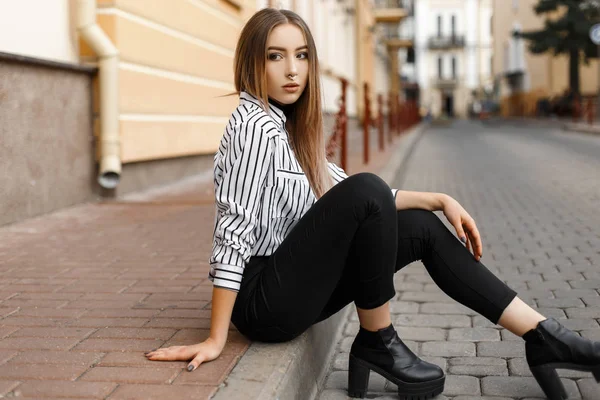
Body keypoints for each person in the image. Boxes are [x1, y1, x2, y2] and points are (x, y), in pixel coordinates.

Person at [145, 8, 600, 400]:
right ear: (252, 63)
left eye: (301, 56)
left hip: (289, 285)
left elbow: (347, 189)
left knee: (419, 223)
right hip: (263, 302)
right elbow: (235, 228)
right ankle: (379, 337)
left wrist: (441, 199)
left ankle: (542, 336)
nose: (292, 70)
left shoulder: (283, 128)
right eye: (275, 56)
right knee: (368, 189)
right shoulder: (251, 125)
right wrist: (216, 336)